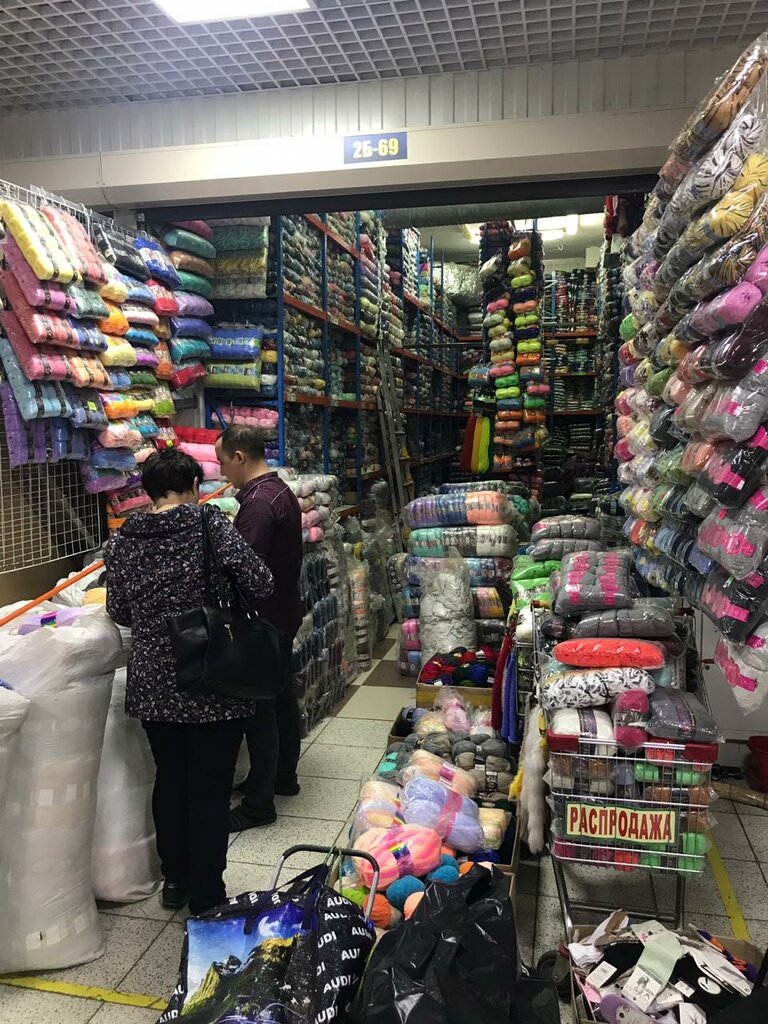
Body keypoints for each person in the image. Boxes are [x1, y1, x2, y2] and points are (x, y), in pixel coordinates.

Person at [103, 448, 273, 914]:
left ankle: (175, 880)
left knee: (170, 779)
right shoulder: (209, 523)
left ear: (149, 492)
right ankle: (207, 894)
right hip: (212, 675)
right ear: (195, 485)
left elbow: (119, 611)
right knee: (210, 788)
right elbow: (261, 583)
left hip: (154, 679)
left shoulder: (122, 540)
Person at [215, 425, 304, 832]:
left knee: (260, 711)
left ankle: (258, 805)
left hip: (262, 621)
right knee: (281, 699)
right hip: (281, 614)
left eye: (222, 462)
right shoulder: (278, 491)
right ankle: (283, 778)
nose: (221, 471)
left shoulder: (259, 504)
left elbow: (245, 570)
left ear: (239, 457)